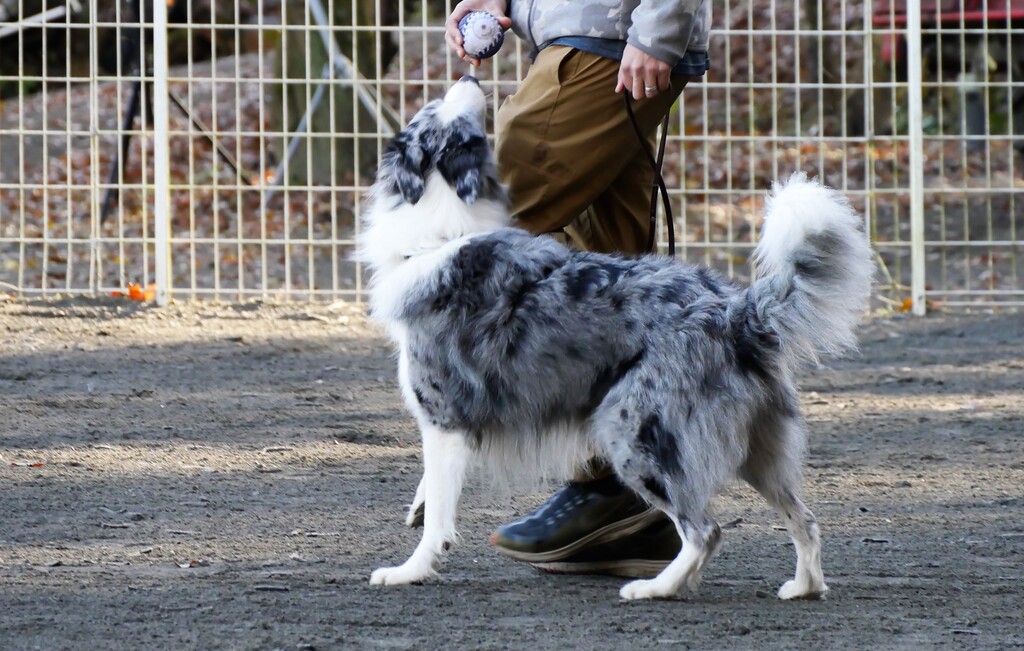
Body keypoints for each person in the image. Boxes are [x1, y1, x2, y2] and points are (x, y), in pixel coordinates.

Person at [443, 0, 712, 578]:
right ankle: (629, 495)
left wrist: (660, 28)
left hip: (608, 37)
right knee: (611, 267)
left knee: (487, 227)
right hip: (592, 34)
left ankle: (615, 482)